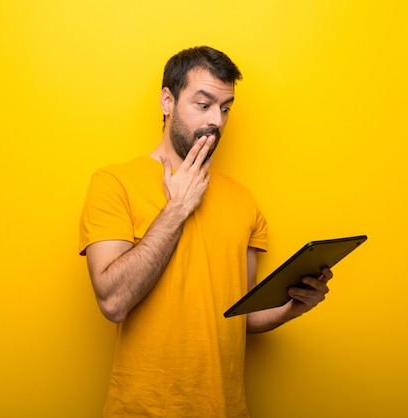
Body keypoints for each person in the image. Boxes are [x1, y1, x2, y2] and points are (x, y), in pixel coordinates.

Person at [79, 46, 333, 417]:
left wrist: (292, 307)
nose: (217, 119)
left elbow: (239, 315)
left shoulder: (244, 201)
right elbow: (113, 302)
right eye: (204, 104)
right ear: (168, 100)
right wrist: (177, 208)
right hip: (142, 409)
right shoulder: (113, 183)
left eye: (226, 107)